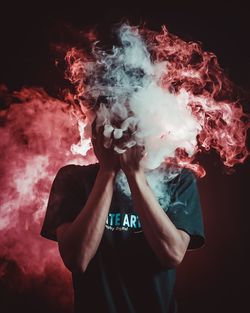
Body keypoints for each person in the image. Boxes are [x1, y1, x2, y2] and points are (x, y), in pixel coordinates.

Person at [40, 121, 205, 313]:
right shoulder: (72, 178)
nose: (122, 134)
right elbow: (77, 259)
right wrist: (107, 171)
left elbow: (172, 254)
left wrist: (134, 174)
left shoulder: (178, 179)